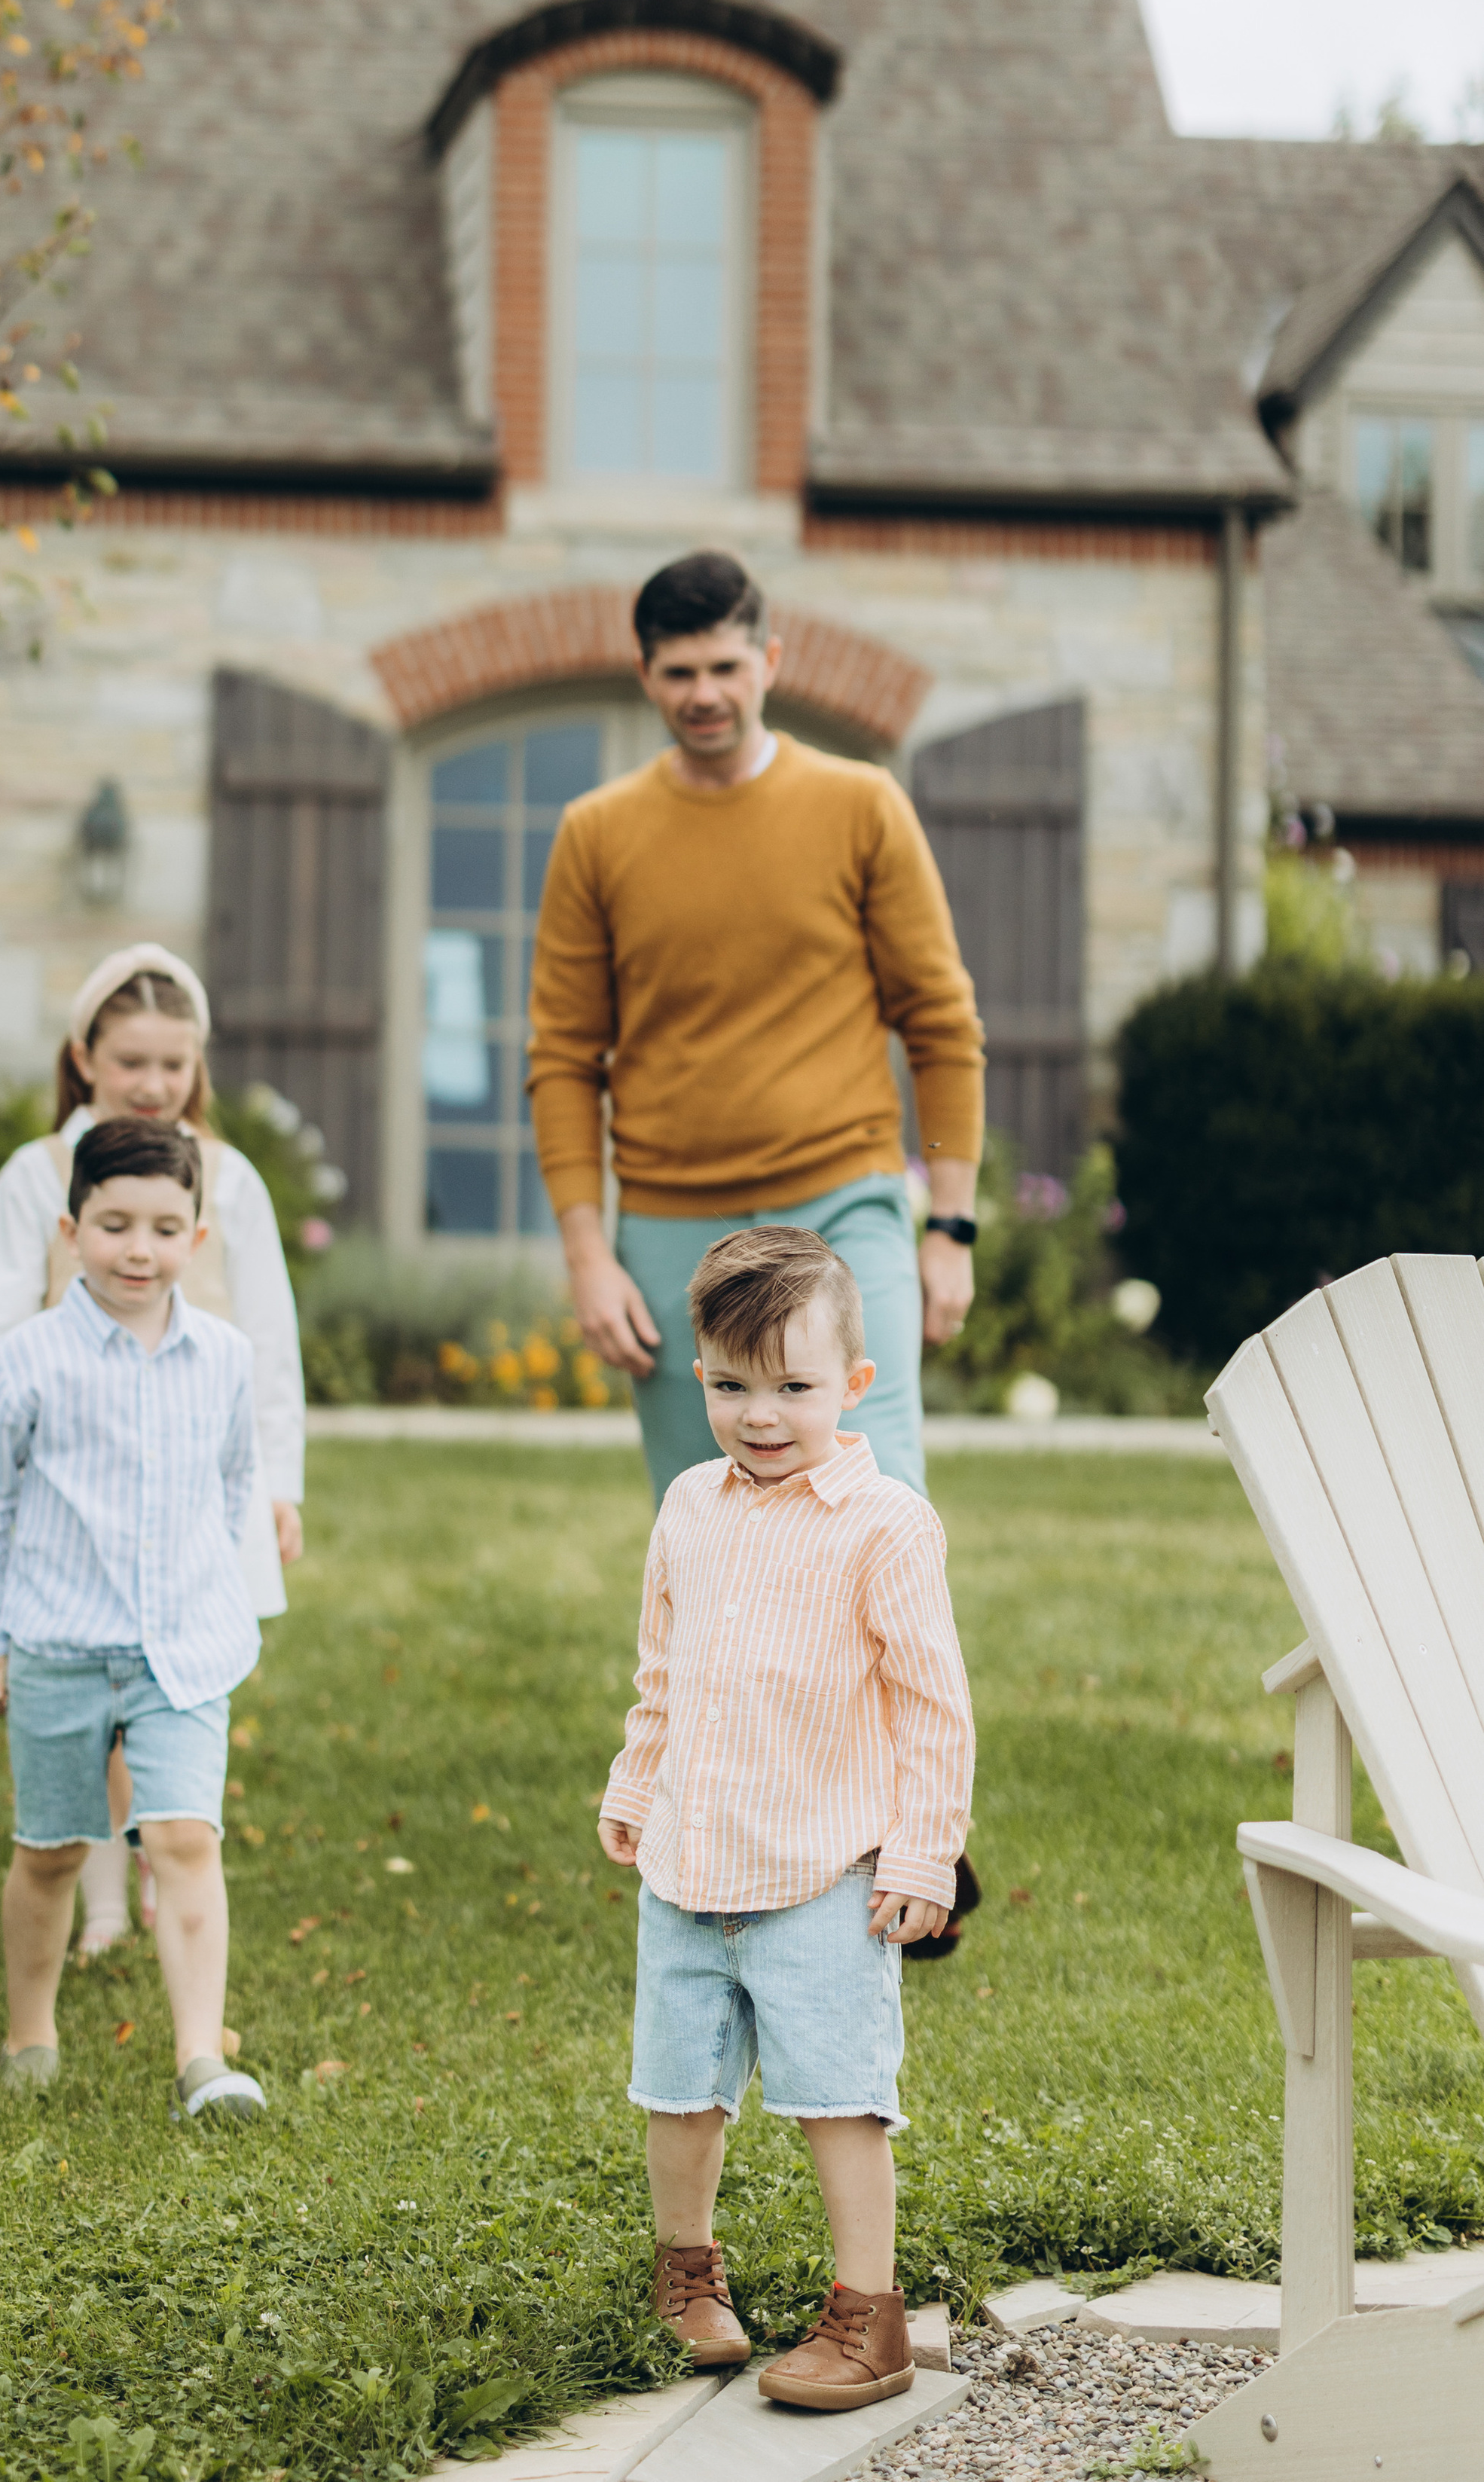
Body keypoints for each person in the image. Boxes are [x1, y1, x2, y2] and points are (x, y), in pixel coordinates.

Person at [598, 1226, 974, 2410]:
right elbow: (666, 1670)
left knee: (839, 2097)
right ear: (698, 1377)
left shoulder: (886, 1525)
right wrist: (635, 1780)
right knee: (679, 2088)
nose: (762, 1414)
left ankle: (870, 2320)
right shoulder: (690, 1507)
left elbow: (932, 1707)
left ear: (855, 1385)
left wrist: (923, 1853)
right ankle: (687, 2278)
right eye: (731, 1385)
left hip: (822, 1874)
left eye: (794, 1388)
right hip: (690, 1865)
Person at [528, 548, 985, 1507]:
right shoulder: (596, 832)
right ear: (646, 674)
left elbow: (940, 1024)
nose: (705, 693)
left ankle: (893, 1668)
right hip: (666, 1224)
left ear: (770, 661)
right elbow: (564, 1059)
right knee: (706, 1510)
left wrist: (949, 1226)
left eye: (726, 667)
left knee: (875, 1497)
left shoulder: (861, 806)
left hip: (843, 1202)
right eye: (681, 671)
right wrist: (586, 1256)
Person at [0, 942, 305, 1958]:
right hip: (73, 1480)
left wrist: (278, 1480)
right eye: (132, 1062)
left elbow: (270, 1343)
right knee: (90, 1697)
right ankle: (99, 1898)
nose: (154, 1085)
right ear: (85, 1057)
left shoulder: (229, 1180)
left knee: (171, 1681)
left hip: (193, 1483)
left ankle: (169, 1863)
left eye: (175, 1065)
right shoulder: (36, 1176)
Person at [0, 1115, 267, 2121]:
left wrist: (216, 1598)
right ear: (70, 1228)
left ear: (197, 1240)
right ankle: (30, 2032)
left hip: (181, 1653)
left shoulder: (222, 1359)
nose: (140, 1248)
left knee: (184, 1841)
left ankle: (197, 2060)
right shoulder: (27, 1362)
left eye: (166, 1228)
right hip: (58, 1646)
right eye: (115, 1222)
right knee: (48, 1849)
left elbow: (232, 1487)